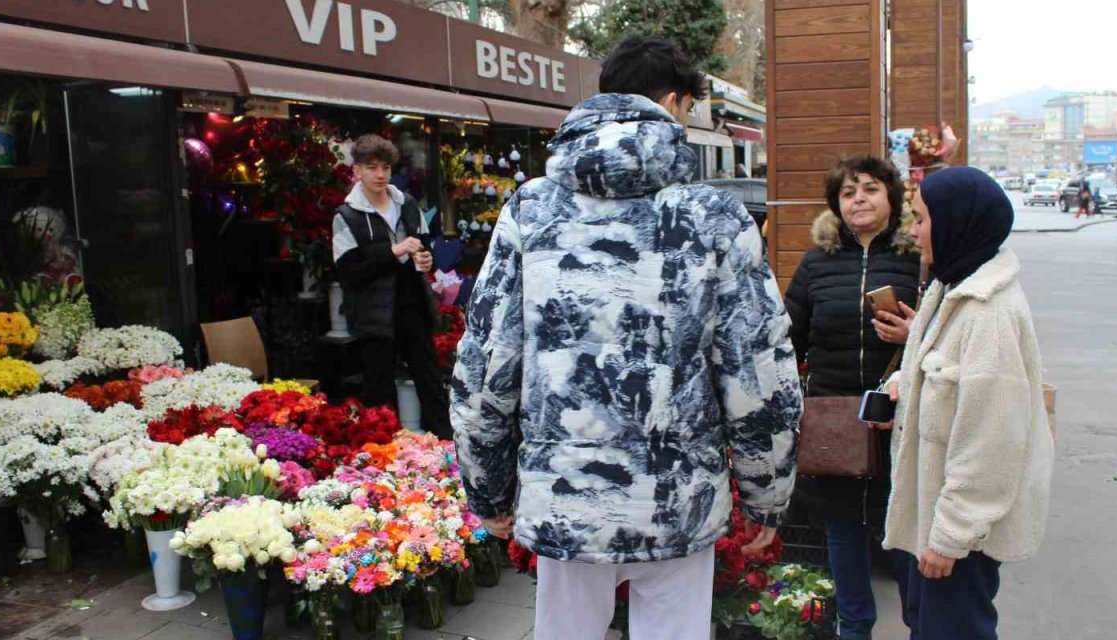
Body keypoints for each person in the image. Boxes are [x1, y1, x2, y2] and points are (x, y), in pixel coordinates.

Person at [450, 35, 803, 640]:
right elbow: (758, 374)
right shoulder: (714, 217)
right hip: (677, 498)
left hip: (566, 493)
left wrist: (488, 489)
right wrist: (766, 494)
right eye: (688, 108)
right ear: (672, 102)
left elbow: (487, 361)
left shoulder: (531, 210)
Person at [883, 167, 1054, 640]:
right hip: (932, 515)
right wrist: (903, 385)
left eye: (921, 219)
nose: (913, 232)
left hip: (957, 533)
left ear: (955, 221)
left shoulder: (988, 312)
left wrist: (952, 536)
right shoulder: (950, 286)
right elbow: (940, 369)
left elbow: (991, 442)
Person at [783, 154, 920, 640]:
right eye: (848, 192)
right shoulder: (817, 262)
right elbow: (790, 336)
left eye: (870, 189)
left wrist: (913, 335)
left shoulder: (916, 257)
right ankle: (854, 626)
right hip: (835, 414)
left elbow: (947, 337)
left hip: (901, 412)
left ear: (891, 197)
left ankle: (919, 623)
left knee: (902, 521)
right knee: (842, 525)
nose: (858, 199)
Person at [333, 134, 453, 439]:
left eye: (385, 167)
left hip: (413, 304)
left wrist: (426, 260)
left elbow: (425, 247)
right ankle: (385, 453)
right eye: (371, 167)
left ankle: (446, 446)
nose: (380, 174)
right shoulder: (346, 215)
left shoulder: (407, 204)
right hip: (373, 313)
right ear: (357, 171)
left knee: (430, 381)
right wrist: (393, 252)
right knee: (379, 390)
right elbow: (348, 273)